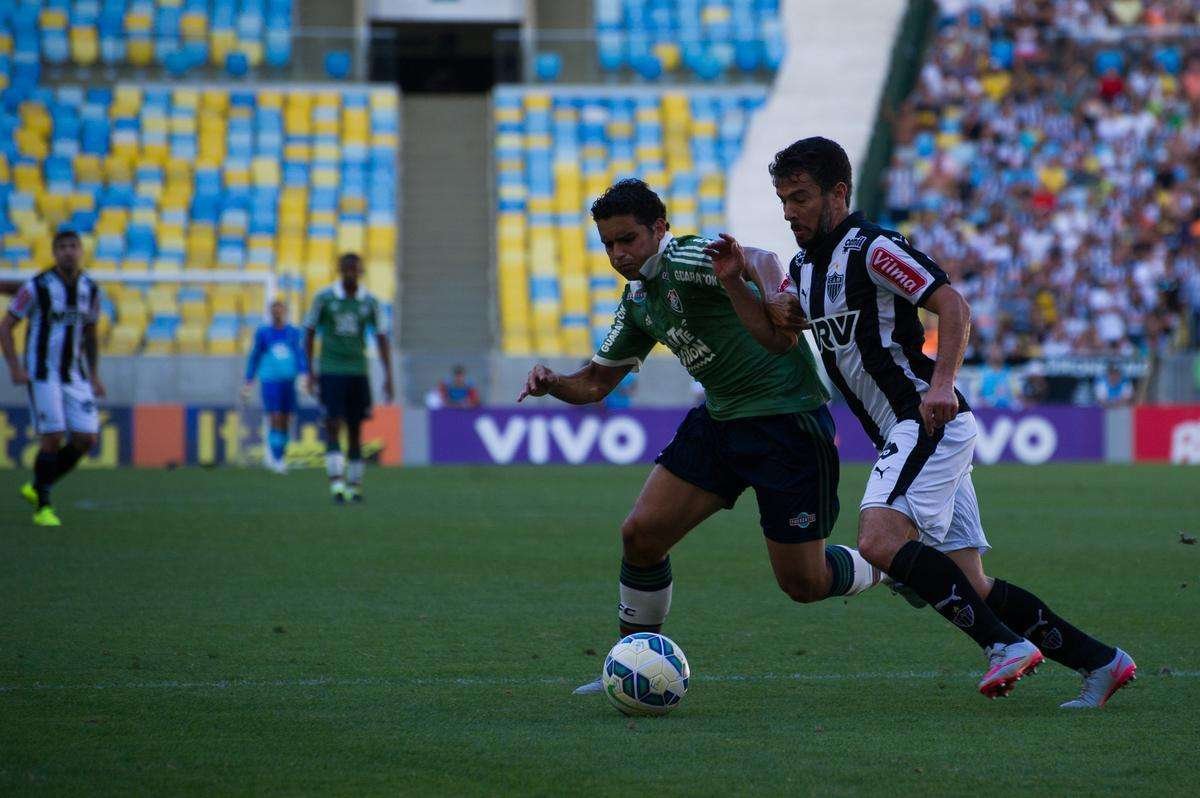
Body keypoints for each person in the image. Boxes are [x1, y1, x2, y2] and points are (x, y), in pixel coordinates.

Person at [728, 137, 1134, 706]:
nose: (790, 211)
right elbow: (778, 338)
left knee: (877, 539)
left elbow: (953, 305)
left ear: (838, 192)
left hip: (922, 419)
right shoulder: (805, 267)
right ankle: (1103, 663)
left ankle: (1005, 647)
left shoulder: (873, 248)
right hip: (909, 432)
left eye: (800, 197)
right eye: (783, 200)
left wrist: (942, 384)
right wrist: (733, 281)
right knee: (972, 585)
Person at [517, 179, 880, 694]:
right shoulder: (640, 298)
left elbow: (757, 255)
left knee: (805, 583)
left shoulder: (685, 257)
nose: (618, 255)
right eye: (609, 245)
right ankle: (631, 661)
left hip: (786, 424)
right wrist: (554, 382)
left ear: (659, 229)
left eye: (628, 240)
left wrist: (779, 295)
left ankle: (889, 565)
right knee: (640, 536)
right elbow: (596, 383)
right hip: (720, 421)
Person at [0, 230, 105, 526]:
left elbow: (91, 334)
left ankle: (37, 485)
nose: (68, 252)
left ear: (81, 250)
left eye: (73, 246)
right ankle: (43, 506)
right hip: (42, 374)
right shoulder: (37, 287)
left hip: (75, 375)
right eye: (62, 247)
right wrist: (14, 368)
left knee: (87, 438)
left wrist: (95, 375)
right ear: (54, 252)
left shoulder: (91, 290)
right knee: (53, 435)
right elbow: (6, 326)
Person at [304, 253, 394, 503]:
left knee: (356, 429)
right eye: (347, 269)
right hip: (331, 371)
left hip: (358, 371)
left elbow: (382, 337)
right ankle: (336, 485)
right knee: (333, 425)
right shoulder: (324, 299)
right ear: (340, 271)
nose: (351, 273)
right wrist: (310, 371)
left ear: (361, 271)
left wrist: (389, 376)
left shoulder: (370, 302)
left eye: (355, 269)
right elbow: (309, 332)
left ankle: (354, 486)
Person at [243, 299, 308, 473]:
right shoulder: (264, 333)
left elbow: (300, 354)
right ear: (270, 313)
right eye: (274, 311)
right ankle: (276, 458)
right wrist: (249, 381)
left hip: (289, 381)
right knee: (275, 417)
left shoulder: (293, 332)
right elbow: (255, 356)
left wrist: (304, 375)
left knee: (286, 419)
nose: (277, 313)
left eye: (280, 310)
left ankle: (280, 456)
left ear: (285, 312)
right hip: (270, 381)